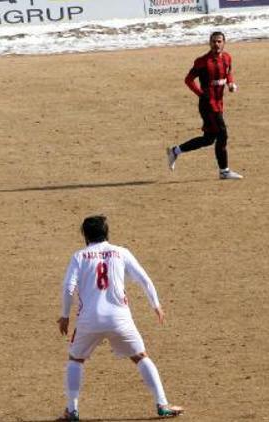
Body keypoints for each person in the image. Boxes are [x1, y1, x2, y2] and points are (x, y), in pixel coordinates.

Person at [56, 215, 183, 421]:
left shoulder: (79, 256)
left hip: (89, 320)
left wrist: (64, 316)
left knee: (76, 360)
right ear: (106, 233)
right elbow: (144, 279)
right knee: (141, 357)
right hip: (119, 319)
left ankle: (72, 411)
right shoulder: (121, 252)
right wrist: (156, 305)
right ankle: (162, 404)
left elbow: (68, 288)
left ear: (85, 235)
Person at [167, 31, 242, 180]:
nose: (216, 44)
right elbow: (188, 80)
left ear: (224, 42)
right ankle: (224, 171)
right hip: (208, 105)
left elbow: (228, 73)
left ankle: (175, 151)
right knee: (223, 134)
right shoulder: (202, 61)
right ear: (209, 43)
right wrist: (201, 94)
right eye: (214, 41)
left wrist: (231, 84)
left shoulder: (227, 57)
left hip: (219, 103)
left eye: (219, 41)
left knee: (209, 139)